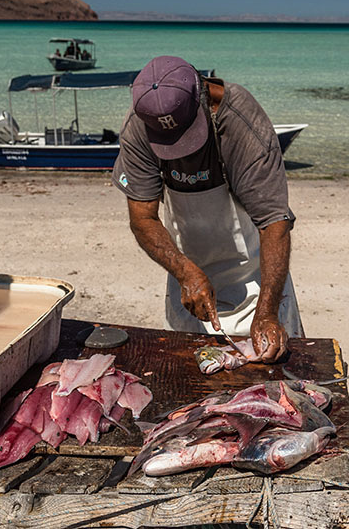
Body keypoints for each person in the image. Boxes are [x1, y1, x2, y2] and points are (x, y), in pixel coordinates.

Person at [112, 55, 302, 363]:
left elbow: (273, 223)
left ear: (203, 94)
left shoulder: (241, 123)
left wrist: (266, 312)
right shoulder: (139, 127)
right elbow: (143, 218)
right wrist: (183, 271)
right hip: (187, 279)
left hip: (255, 279)